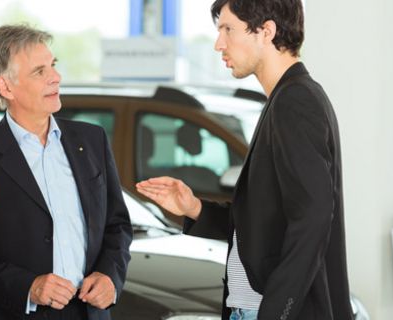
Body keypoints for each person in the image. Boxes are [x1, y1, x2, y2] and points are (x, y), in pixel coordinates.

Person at [136, 0, 353, 319]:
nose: (218, 43)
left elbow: (313, 218)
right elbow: (265, 222)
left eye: (228, 29)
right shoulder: (283, 99)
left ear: (267, 31)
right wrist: (194, 208)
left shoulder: (295, 101)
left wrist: (276, 312)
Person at [0, 24, 133, 320]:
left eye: (53, 66)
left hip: (90, 314)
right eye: (39, 71)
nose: (55, 77)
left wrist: (111, 276)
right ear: (6, 87)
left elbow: (118, 225)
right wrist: (29, 287)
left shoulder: (92, 140)